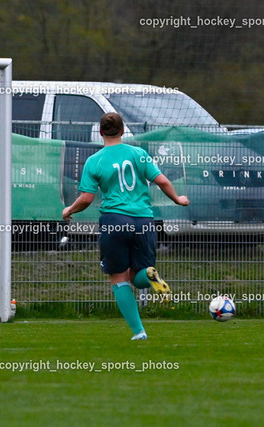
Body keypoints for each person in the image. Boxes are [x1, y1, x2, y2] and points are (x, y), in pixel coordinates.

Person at [62, 112, 190, 340]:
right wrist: (178, 199)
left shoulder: (94, 161)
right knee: (137, 274)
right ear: (123, 131)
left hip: (115, 221)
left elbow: (87, 198)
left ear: (100, 132)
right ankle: (150, 276)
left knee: (119, 278)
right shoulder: (139, 154)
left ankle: (139, 331)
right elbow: (161, 180)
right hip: (144, 221)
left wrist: (69, 210)